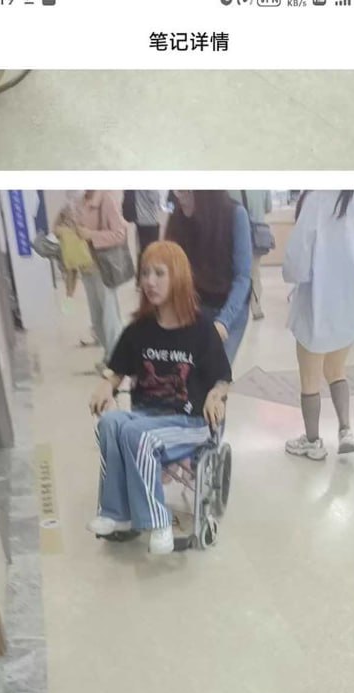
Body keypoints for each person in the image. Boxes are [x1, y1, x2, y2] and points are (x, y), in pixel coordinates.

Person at [87, 240, 232, 554]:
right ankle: (117, 513)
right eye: (145, 273)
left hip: (189, 421)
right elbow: (116, 370)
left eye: (159, 273)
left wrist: (215, 395)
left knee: (135, 434)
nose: (149, 281)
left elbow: (223, 377)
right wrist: (105, 385)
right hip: (147, 415)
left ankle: (157, 521)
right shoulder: (139, 329)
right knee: (110, 424)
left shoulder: (201, 329)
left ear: (178, 276)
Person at [282, 190, 354, 460]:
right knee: (336, 369)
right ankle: (345, 430)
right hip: (352, 300)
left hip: (316, 300)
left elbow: (298, 255)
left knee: (310, 378)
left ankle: (313, 442)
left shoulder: (319, 195)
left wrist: (291, 275)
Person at [165, 191, 252, 365]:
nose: (178, 196)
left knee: (216, 371)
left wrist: (223, 321)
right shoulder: (177, 217)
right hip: (194, 308)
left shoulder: (235, 215)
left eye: (184, 191)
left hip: (229, 308)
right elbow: (170, 270)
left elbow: (243, 277)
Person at [69, 190, 126, 367]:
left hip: (103, 266)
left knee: (109, 315)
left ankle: (116, 359)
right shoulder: (79, 201)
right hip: (87, 266)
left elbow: (120, 234)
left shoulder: (105, 199)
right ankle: (109, 354)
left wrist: (91, 235)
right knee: (96, 316)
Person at [228, 190, 272, 320]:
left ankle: (235, 306)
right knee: (255, 272)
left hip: (235, 232)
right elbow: (268, 207)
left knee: (236, 272)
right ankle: (256, 308)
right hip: (257, 234)